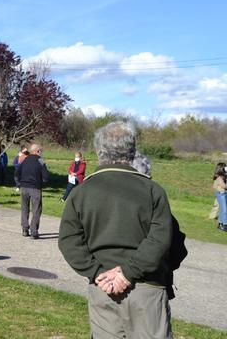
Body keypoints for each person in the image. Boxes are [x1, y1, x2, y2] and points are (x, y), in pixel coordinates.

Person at [59, 121, 179, 338]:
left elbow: (69, 241)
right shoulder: (152, 190)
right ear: (132, 152)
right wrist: (117, 273)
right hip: (143, 290)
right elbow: (160, 240)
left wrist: (104, 273)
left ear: (99, 151)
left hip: (105, 287)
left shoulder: (81, 192)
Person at [17, 144, 49, 239]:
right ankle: (34, 231)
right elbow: (46, 177)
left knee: (24, 208)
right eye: (41, 151)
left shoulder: (25, 160)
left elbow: (17, 173)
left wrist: (19, 183)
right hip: (35, 187)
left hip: (24, 187)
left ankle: (25, 228)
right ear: (38, 151)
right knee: (36, 209)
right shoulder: (40, 161)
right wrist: (42, 181)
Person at [214, 163, 227, 232]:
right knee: (225, 210)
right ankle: (224, 225)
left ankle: (220, 224)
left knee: (223, 210)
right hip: (221, 195)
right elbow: (225, 186)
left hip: (223, 194)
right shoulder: (219, 178)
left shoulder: (222, 177)